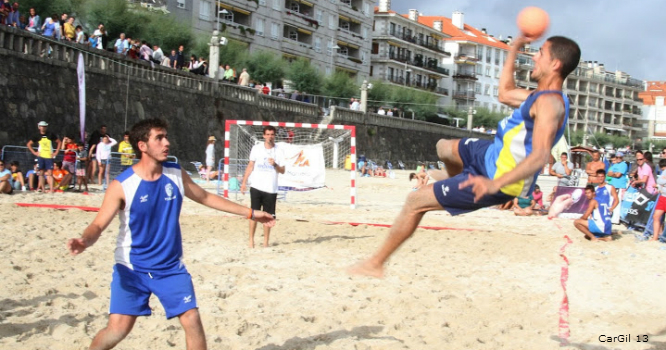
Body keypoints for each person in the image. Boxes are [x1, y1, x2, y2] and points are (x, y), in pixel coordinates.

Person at [348, 34, 581, 278]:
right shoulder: (539, 97)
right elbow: (505, 93)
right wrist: (512, 49)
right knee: (444, 147)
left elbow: (540, 155)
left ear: (555, 64)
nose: (534, 56)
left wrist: (494, 183)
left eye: (540, 52)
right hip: (491, 154)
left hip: (500, 177)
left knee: (414, 202)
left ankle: (375, 263)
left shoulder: (550, 104)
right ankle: (454, 181)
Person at [66, 118, 275, 350]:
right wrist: (85, 240)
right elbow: (98, 225)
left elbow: (205, 197)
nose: (167, 142)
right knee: (118, 329)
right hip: (132, 268)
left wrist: (250, 213)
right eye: (159, 138)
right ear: (142, 146)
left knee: (192, 319)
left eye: (166, 136)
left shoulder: (175, 173)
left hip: (169, 268)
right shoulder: (123, 184)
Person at [240, 126, 285, 248]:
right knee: (253, 214)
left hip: (271, 188)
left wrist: (275, 164)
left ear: (274, 136)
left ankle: (265, 242)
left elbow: (283, 170)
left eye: (272, 134)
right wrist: (244, 182)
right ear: (264, 136)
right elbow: (250, 165)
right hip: (256, 186)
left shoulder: (279, 151)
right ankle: (251, 240)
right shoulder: (257, 148)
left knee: (268, 215)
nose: (270, 136)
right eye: (268, 134)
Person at [27, 121, 61, 193]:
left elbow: (59, 142)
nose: (43, 127)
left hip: (49, 156)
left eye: (45, 126)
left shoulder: (50, 134)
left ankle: (51, 189)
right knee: (41, 173)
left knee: (50, 173)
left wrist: (56, 152)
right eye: (42, 126)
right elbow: (29, 144)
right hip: (41, 156)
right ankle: (42, 189)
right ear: (39, 127)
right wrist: (34, 152)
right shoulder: (37, 135)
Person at [651, 159, 666, 241]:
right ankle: (655, 237)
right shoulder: (664, 171)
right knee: (656, 216)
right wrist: (660, 185)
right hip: (663, 197)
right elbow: (660, 181)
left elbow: (661, 181)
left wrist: (660, 184)